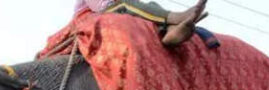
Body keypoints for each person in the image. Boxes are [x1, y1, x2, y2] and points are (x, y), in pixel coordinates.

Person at [75, 0, 207, 47]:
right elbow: (103, 7)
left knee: (152, 5)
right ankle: (176, 17)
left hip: (115, 11)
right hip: (91, 18)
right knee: (125, 4)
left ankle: (169, 32)